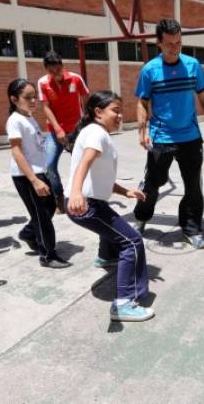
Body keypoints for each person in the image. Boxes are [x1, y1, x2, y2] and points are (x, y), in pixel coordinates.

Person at [66, 91, 154, 321]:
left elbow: (100, 176)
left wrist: (126, 191)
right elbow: (84, 163)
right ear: (98, 112)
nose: (120, 115)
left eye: (120, 110)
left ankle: (105, 257)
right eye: (115, 110)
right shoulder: (96, 133)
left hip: (91, 202)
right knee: (132, 241)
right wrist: (76, 193)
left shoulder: (96, 133)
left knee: (113, 226)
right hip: (86, 204)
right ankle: (124, 303)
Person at [133, 18, 204, 249]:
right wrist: (142, 130)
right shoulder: (150, 70)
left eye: (179, 42)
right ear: (159, 43)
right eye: (170, 43)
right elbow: (142, 101)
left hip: (190, 137)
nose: (175, 48)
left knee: (193, 187)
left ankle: (191, 229)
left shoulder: (192, 65)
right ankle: (141, 218)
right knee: (153, 184)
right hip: (161, 137)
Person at [6, 78, 70, 269]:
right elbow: (16, 151)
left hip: (39, 172)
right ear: (14, 99)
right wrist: (34, 180)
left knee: (49, 208)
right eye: (27, 97)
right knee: (42, 216)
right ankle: (48, 255)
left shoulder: (29, 117)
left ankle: (28, 233)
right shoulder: (15, 121)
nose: (33, 101)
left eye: (34, 97)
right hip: (27, 176)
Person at [37, 51, 89, 214]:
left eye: (58, 69)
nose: (56, 74)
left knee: (84, 163)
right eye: (51, 71)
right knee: (48, 165)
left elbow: (86, 97)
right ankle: (59, 197)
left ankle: (85, 195)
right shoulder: (43, 82)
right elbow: (45, 107)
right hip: (55, 131)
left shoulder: (75, 78)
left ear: (62, 66)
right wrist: (58, 129)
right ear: (46, 69)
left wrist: (88, 121)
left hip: (76, 129)